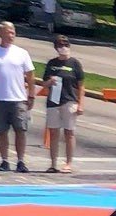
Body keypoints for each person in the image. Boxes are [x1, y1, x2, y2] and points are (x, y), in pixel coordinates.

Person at [0, 21, 35, 173]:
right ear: (0, 34)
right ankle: (4, 161)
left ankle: (21, 161)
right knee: (2, 131)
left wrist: (31, 95)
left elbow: (30, 76)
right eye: (8, 32)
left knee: (20, 130)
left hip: (18, 98)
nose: (11, 35)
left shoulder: (22, 53)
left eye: (13, 32)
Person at [42, 35, 84, 174]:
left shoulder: (74, 64)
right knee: (53, 132)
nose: (63, 48)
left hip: (69, 100)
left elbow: (81, 86)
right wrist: (50, 81)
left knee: (69, 132)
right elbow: (44, 83)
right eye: (60, 46)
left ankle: (68, 163)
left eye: (65, 45)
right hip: (53, 101)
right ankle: (53, 163)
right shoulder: (52, 63)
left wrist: (80, 104)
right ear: (56, 48)